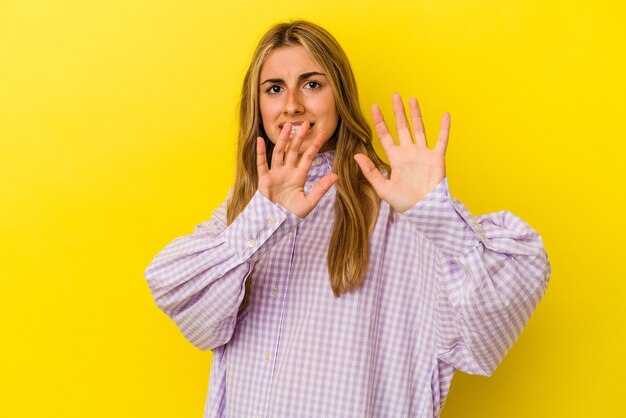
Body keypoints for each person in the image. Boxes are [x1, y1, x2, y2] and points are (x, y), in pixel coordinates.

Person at [144, 20, 551, 418]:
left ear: (340, 96)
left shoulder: (396, 209)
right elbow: (179, 296)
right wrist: (266, 219)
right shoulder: (243, 209)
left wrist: (436, 215)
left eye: (312, 84)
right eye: (274, 89)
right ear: (258, 107)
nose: (291, 105)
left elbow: (507, 301)